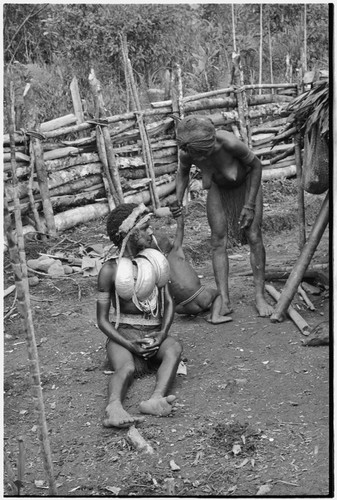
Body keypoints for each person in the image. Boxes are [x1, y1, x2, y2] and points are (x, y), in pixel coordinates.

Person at [173, 114, 274, 320]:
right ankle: (225, 300)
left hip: (246, 185)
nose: (200, 160)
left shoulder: (228, 142)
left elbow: (256, 166)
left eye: (205, 153)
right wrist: (177, 199)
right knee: (218, 241)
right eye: (197, 156)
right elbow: (183, 173)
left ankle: (260, 296)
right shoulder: (188, 153)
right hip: (218, 188)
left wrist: (250, 204)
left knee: (253, 236)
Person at [96, 202, 182, 428]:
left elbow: (170, 302)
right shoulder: (110, 270)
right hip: (123, 337)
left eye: (149, 226)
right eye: (145, 228)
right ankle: (113, 407)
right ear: (129, 233)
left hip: (153, 335)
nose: (151, 231)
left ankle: (156, 398)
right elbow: (102, 320)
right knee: (127, 368)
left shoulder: (156, 262)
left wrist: (162, 335)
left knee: (174, 348)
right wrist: (130, 344)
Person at [152, 206, 232, 323]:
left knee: (177, 309)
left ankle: (200, 308)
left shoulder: (158, 267)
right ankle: (215, 316)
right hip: (200, 296)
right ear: (169, 244)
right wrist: (179, 217)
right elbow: (180, 228)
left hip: (186, 306)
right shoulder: (176, 251)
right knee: (218, 294)